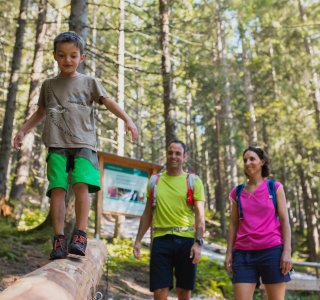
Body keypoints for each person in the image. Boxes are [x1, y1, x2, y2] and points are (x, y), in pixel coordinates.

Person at [13, 31, 138, 260]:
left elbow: (107, 101)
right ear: (54, 57)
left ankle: (80, 235)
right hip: (56, 143)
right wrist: (23, 130)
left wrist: (127, 119)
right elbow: (40, 112)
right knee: (58, 189)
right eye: (62, 55)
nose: (67, 60)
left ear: (82, 57)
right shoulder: (48, 85)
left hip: (84, 143)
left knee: (81, 185)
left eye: (73, 55)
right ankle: (59, 239)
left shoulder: (89, 82)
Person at [133, 140, 205, 300]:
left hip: (186, 241)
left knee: (184, 293)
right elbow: (147, 214)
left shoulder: (193, 181)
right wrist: (138, 240)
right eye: (170, 152)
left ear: (184, 157)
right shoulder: (155, 181)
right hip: (161, 241)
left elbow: (200, 214)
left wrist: (198, 243)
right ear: (166, 154)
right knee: (159, 292)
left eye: (178, 153)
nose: (174, 156)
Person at [224, 146, 292, 300]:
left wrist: (286, 251)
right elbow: (233, 224)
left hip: (272, 252)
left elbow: (284, 221)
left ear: (262, 162)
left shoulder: (274, 188)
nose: (248, 163)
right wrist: (229, 253)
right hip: (243, 254)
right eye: (245, 160)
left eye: (252, 159)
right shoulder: (238, 192)